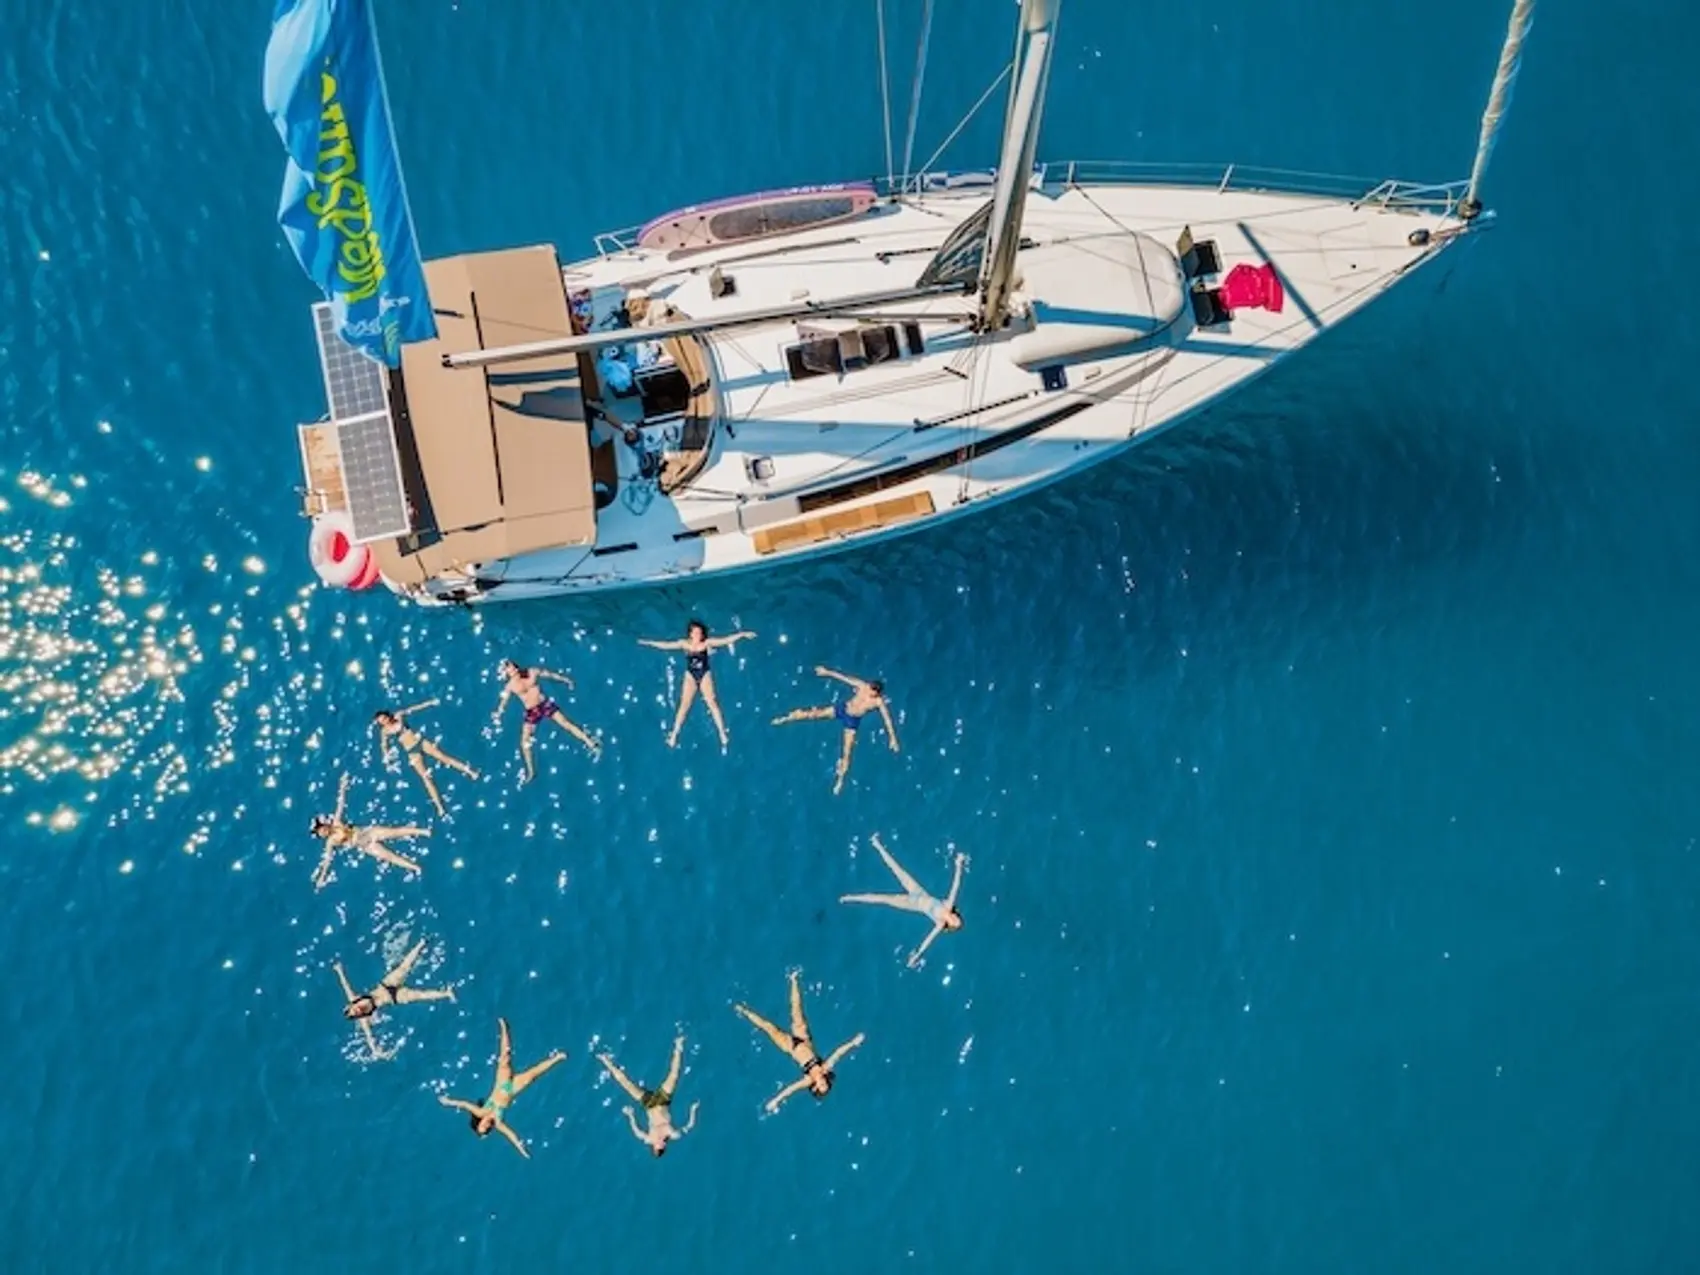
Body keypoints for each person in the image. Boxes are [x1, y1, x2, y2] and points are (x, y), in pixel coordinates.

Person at [733, 970, 864, 1113]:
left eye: (821, 1084)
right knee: (797, 1009)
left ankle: (744, 1011)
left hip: (789, 1045)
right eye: (825, 1082)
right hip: (803, 1037)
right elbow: (838, 1053)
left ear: (814, 1086)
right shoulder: (824, 1067)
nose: (822, 1080)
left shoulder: (807, 1080)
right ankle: (794, 979)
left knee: (767, 1026)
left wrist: (775, 1101)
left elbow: (790, 1090)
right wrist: (853, 1043)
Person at [437, 1018, 567, 1159]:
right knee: (533, 1074)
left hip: (502, 1083)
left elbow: (463, 1104)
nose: (486, 1125)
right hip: (512, 1089)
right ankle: (557, 1058)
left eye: (482, 1126)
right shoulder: (497, 1122)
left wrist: (448, 1102)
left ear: (479, 1122)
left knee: (505, 1056)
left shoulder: (481, 1111)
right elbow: (510, 1135)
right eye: (486, 1129)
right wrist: (521, 1149)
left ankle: (504, 1028)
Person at [841, 834, 967, 968]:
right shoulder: (948, 904)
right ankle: (876, 843)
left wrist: (916, 956)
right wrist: (958, 864)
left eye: (954, 922)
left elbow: (927, 941)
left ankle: (850, 898)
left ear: (950, 925)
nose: (953, 918)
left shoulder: (939, 924)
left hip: (910, 903)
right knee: (897, 868)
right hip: (917, 891)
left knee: (881, 899)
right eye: (956, 918)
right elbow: (955, 885)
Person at [771, 666, 899, 794]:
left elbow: (886, 719)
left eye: (872, 692)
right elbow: (844, 678)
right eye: (870, 688)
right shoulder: (862, 686)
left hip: (852, 721)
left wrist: (892, 738)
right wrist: (826, 672)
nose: (869, 692)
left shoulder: (878, 702)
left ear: (877, 693)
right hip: (843, 709)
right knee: (814, 714)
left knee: (847, 752)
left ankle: (840, 781)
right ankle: (785, 719)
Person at [638, 620, 756, 748]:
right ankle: (674, 735)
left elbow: (725, 640)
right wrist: (649, 643)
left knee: (712, 702)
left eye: (700, 632)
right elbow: (666, 645)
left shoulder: (706, 643)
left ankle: (722, 733)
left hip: (704, 674)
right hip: (690, 675)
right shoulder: (684, 644)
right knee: (684, 705)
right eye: (695, 632)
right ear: (690, 634)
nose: (698, 635)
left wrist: (742, 634)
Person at [332, 938, 456, 1059]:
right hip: (394, 997)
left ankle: (421, 943)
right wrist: (376, 1051)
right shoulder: (364, 1019)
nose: (358, 1010)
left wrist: (339, 971)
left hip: (387, 985)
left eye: (354, 1009)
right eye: (357, 1013)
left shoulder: (354, 998)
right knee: (420, 996)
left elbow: (345, 985)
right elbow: (369, 1036)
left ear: (352, 1005)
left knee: (405, 966)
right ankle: (446, 993)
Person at [309, 774, 429, 889]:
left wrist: (343, 785)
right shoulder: (330, 842)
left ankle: (423, 831)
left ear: (325, 825)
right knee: (391, 858)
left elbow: (341, 803)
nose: (324, 833)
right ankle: (415, 867)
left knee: (396, 832)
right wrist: (322, 877)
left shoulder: (337, 822)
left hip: (368, 832)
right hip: (366, 845)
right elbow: (327, 861)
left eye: (322, 830)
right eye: (321, 834)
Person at [493, 659, 600, 783]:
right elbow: (503, 701)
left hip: (544, 704)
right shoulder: (510, 686)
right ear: (507, 674)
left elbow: (549, 674)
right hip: (531, 712)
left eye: (514, 667)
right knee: (524, 742)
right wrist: (498, 714)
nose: (515, 670)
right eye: (511, 669)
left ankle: (589, 742)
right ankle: (531, 771)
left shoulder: (532, 672)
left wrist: (565, 680)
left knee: (566, 724)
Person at [373, 698, 479, 817]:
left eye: (384, 718)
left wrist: (429, 703)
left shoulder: (399, 716)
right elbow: (384, 744)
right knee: (426, 779)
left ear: (387, 715)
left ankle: (470, 771)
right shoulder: (385, 731)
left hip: (420, 742)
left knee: (444, 758)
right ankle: (439, 806)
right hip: (412, 752)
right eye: (381, 721)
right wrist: (386, 756)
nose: (384, 721)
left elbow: (415, 708)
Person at [597, 1034, 699, 1157]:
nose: (659, 1144)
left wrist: (631, 1116)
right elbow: (689, 1126)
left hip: (648, 1104)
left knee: (626, 1084)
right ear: (664, 1146)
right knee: (674, 1075)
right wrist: (693, 1110)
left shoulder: (649, 1138)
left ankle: (606, 1061)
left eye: (656, 1146)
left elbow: (637, 1132)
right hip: (663, 1100)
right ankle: (678, 1046)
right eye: (661, 1146)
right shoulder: (673, 1134)